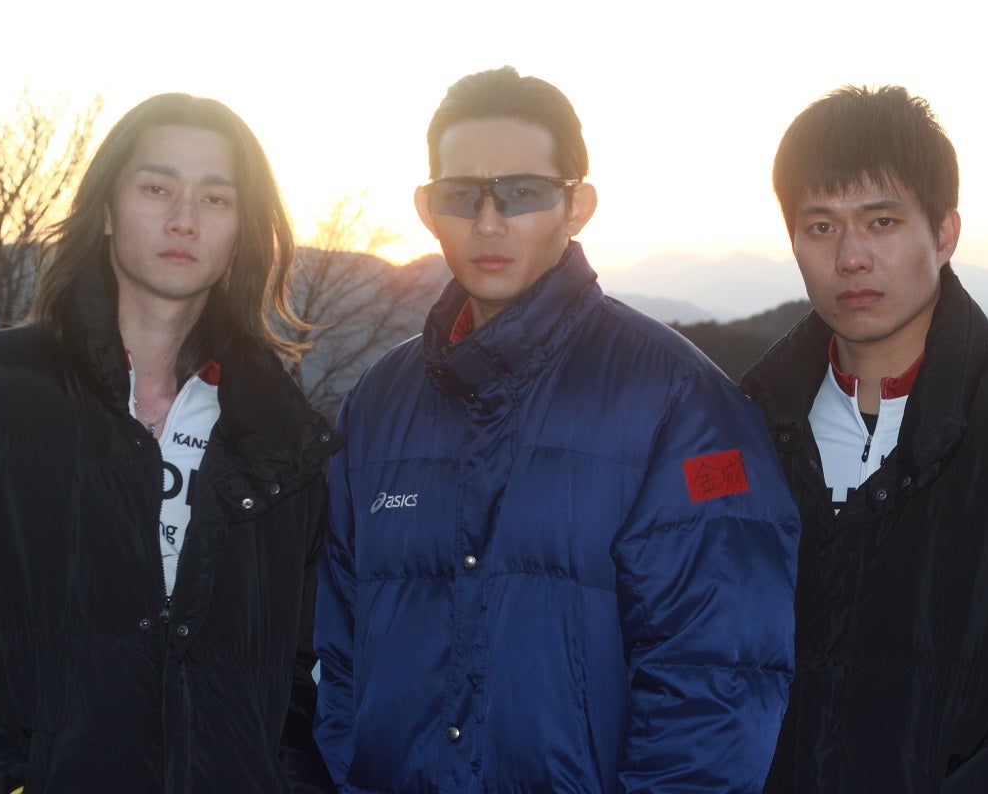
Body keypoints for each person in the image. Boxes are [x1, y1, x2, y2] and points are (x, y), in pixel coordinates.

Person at [314, 65, 801, 793]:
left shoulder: (682, 405)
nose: (488, 222)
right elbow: (339, 652)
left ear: (577, 206)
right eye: (461, 195)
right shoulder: (380, 404)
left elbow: (716, 682)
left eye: (522, 193)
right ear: (426, 208)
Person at [0, 93, 339, 793]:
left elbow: (299, 680)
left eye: (216, 199)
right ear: (107, 210)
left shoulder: (281, 441)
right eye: (156, 188)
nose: (184, 219)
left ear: (241, 231)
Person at [741, 85, 988, 792]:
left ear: (943, 234)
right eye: (820, 226)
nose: (850, 256)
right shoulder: (744, 432)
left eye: (881, 221)